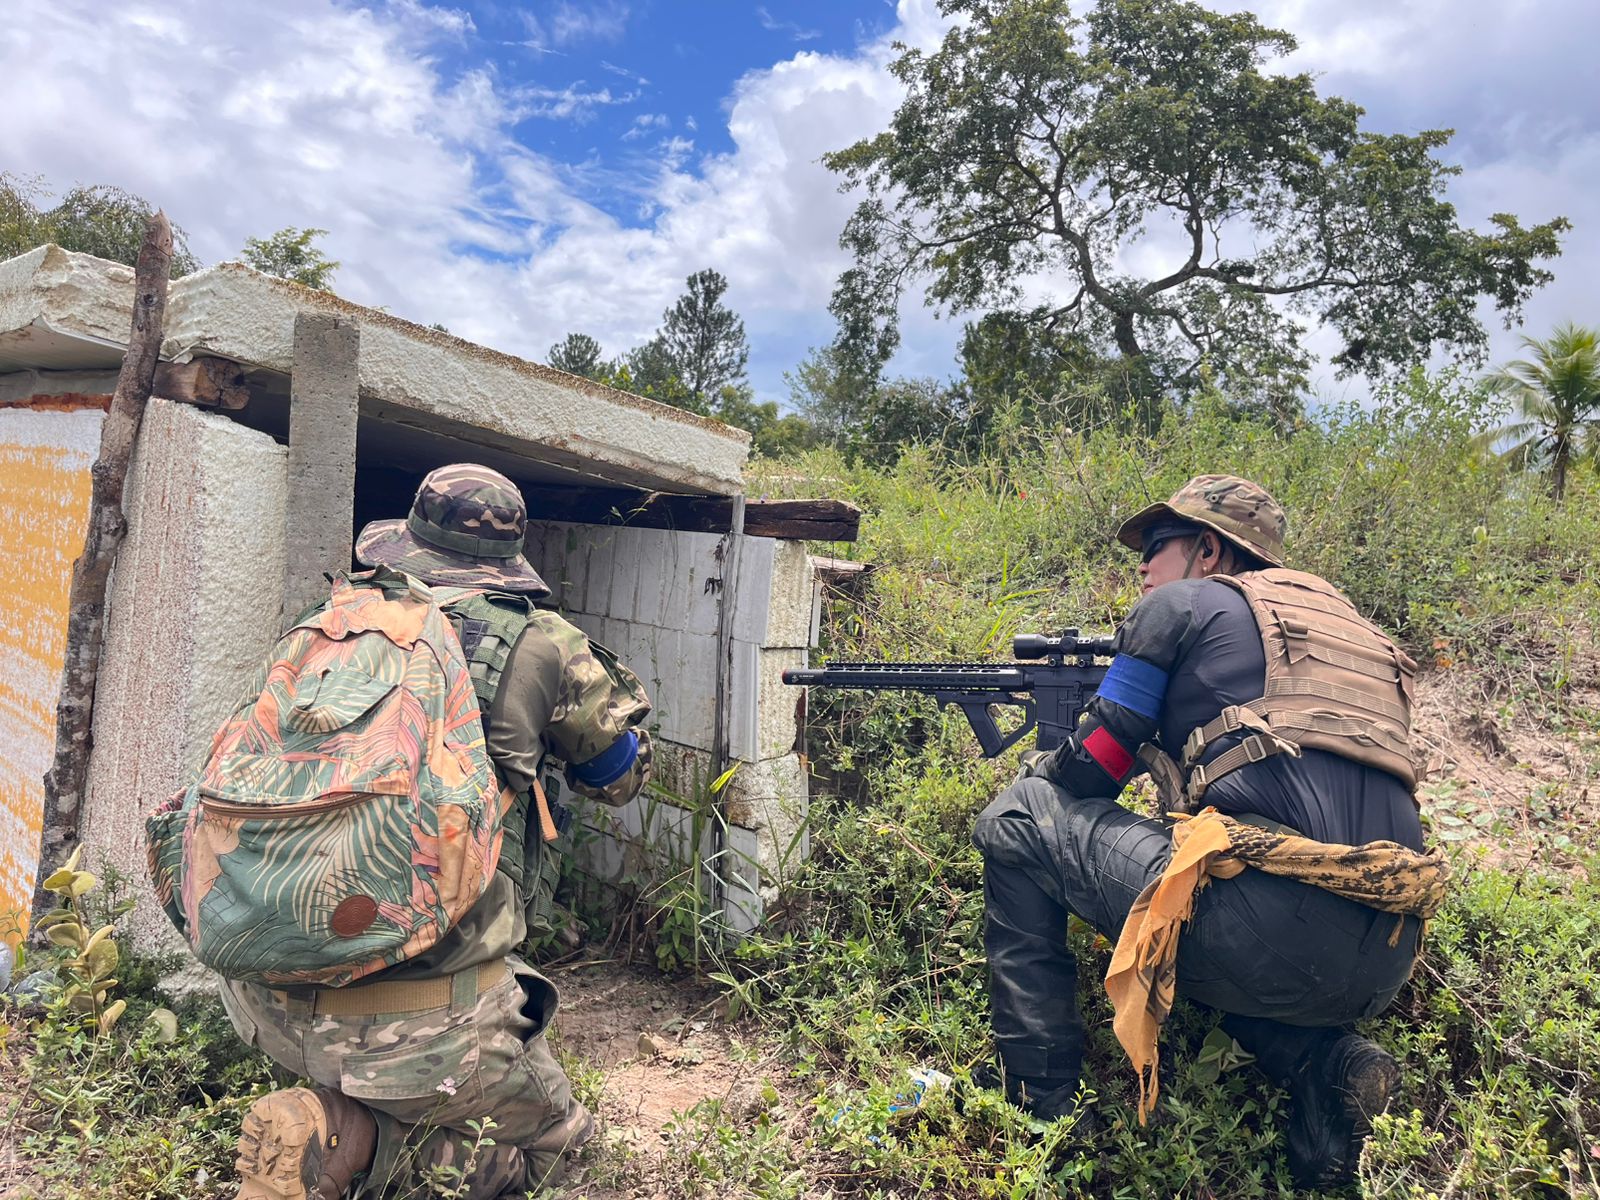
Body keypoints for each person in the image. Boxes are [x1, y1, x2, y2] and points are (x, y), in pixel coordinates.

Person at [972, 474, 1445, 1188]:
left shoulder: (1182, 604)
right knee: (1221, 895)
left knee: (1016, 817)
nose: (1143, 565)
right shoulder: (1359, 637)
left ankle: (1041, 1106)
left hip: (1264, 928)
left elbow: (1094, 769)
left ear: (1210, 551)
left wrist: (1051, 763)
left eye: (1158, 544)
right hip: (1387, 954)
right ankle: (1326, 1066)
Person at [226, 464, 654, 1200]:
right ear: (509, 554)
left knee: (404, 1076)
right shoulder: (544, 643)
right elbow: (616, 778)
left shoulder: (328, 619)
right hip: (420, 1016)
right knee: (562, 1158)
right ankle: (355, 1142)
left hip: (264, 987)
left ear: (412, 538)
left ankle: (328, 1107)